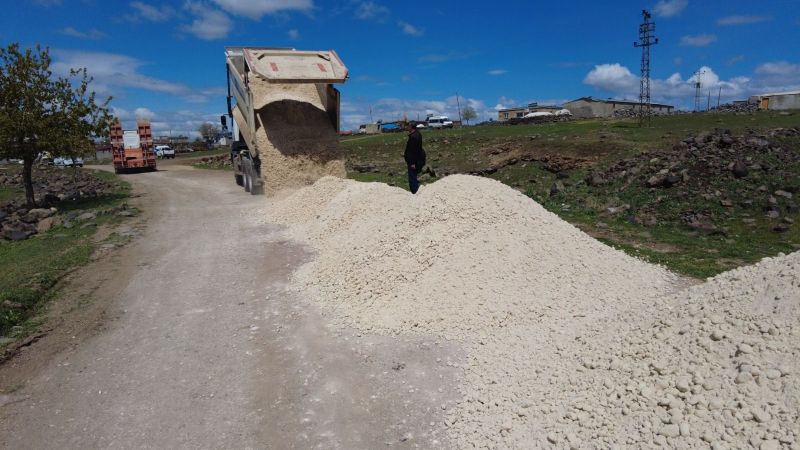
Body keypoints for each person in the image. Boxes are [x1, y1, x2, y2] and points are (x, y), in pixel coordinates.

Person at [403, 122, 425, 194]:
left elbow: (413, 151)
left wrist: (413, 163)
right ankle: (415, 191)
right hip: (416, 160)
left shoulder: (414, 137)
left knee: (412, 178)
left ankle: (415, 192)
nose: (407, 127)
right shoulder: (417, 134)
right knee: (413, 177)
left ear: (411, 127)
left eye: (408, 126)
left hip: (413, 161)